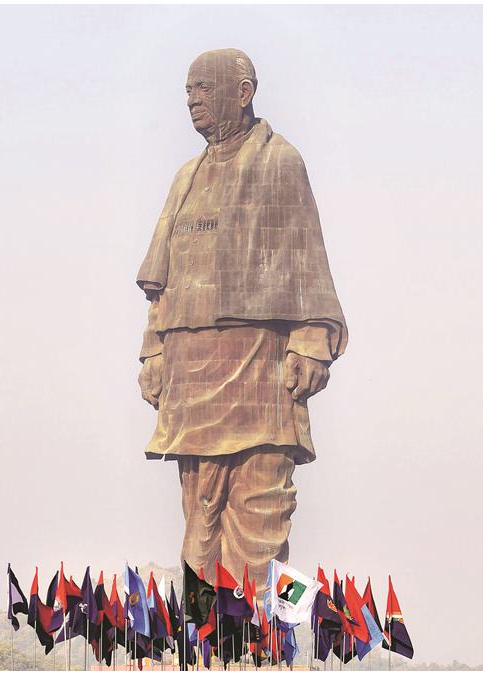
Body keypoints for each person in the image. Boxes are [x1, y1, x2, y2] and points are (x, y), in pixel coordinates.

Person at [136, 48, 347, 585]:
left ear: (244, 91)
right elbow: (162, 284)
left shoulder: (280, 162)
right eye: (188, 90)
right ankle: (204, 646)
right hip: (191, 373)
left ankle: (259, 644)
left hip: (259, 366)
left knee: (261, 511)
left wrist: (311, 342)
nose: (192, 100)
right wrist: (154, 350)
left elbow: (307, 260)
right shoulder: (186, 177)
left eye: (204, 88)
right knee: (198, 515)